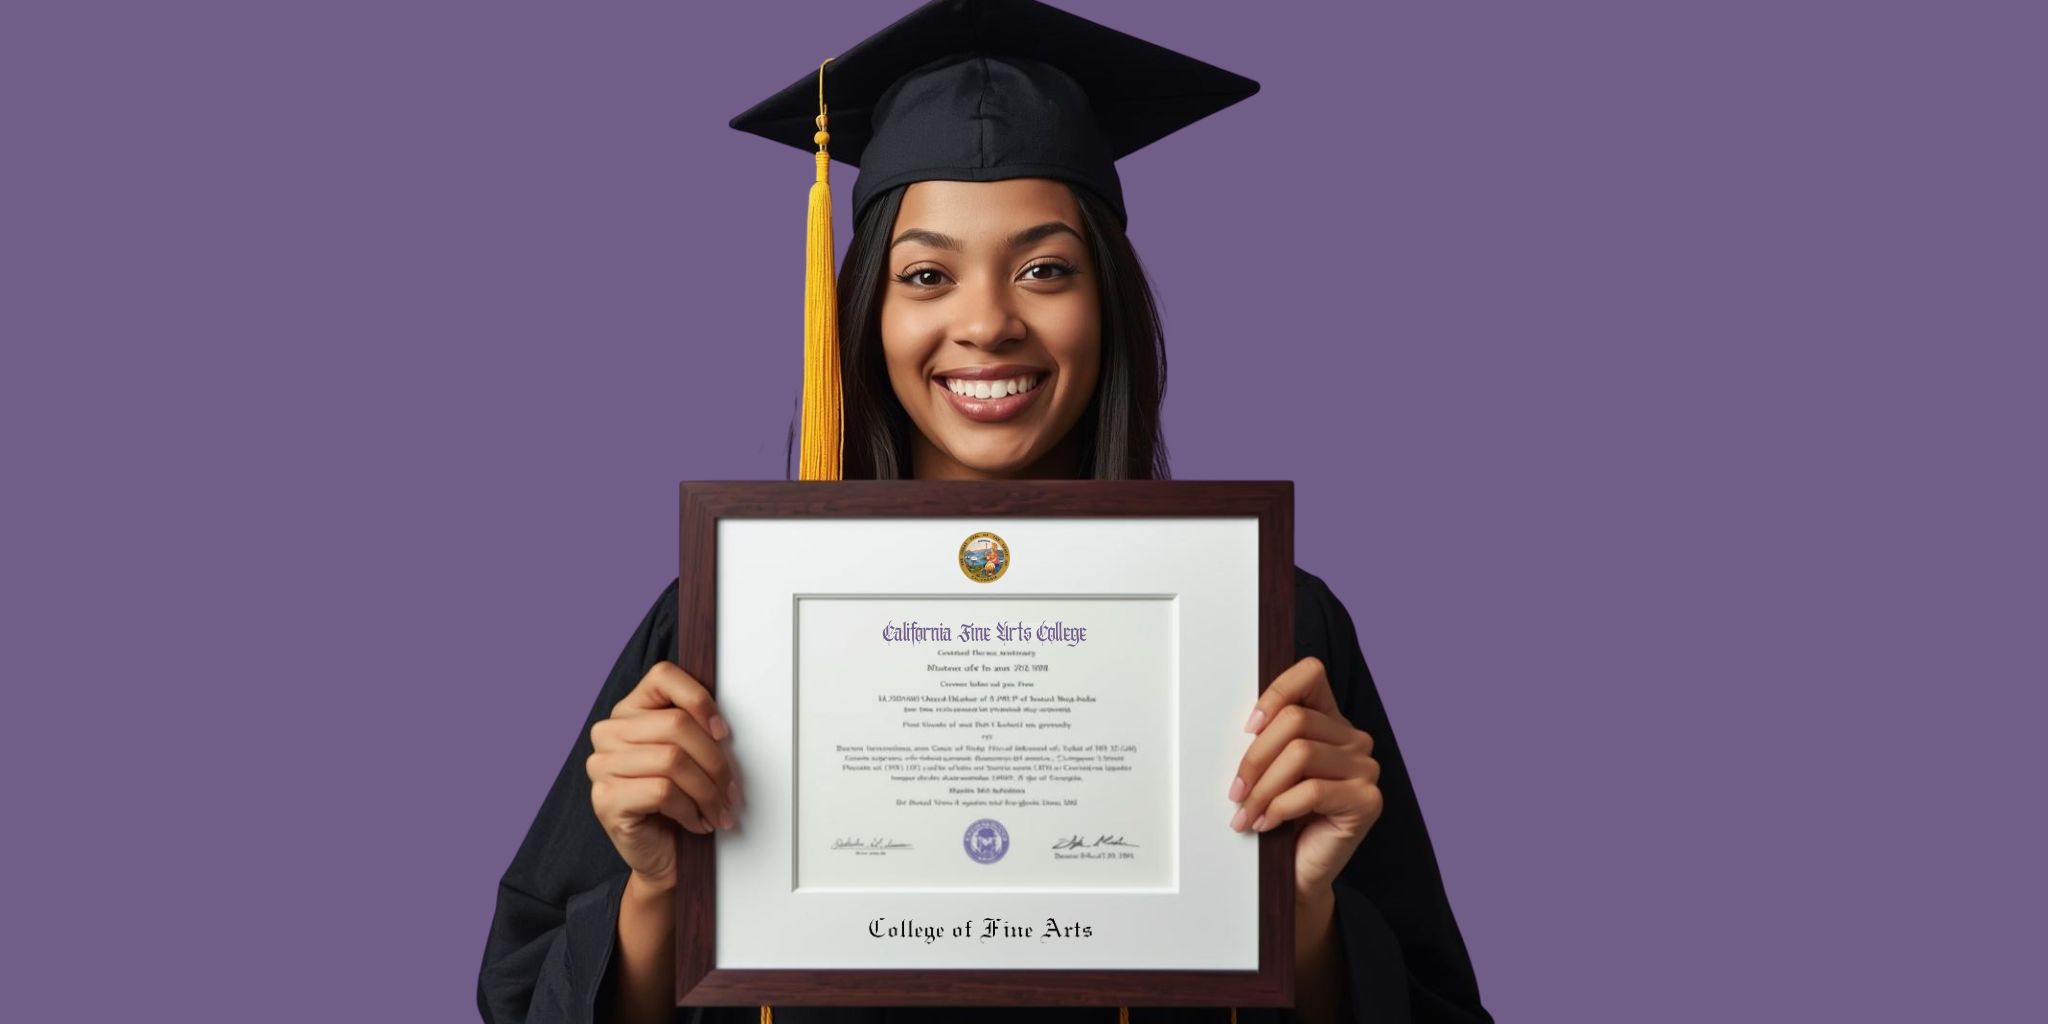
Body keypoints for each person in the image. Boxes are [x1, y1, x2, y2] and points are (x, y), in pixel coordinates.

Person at [477, 1, 1492, 1021]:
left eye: (1045, 268)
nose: (986, 322)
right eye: (926, 275)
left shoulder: (1269, 625)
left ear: (1109, 305)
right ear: (868, 310)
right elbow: (525, 995)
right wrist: (657, 890)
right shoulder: (726, 620)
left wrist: (1301, 908)